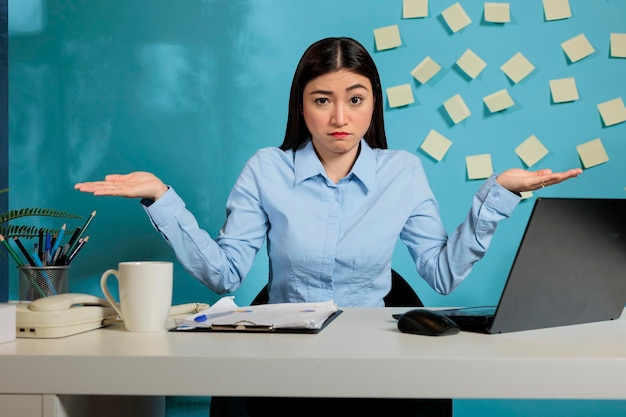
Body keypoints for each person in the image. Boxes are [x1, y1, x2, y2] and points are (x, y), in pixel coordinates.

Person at [75, 37, 582, 416]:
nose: (340, 116)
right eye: (322, 100)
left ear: (373, 104)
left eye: (355, 99)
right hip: (280, 350)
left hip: (379, 349)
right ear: (303, 105)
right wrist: (160, 198)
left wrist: (500, 194)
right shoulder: (266, 169)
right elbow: (226, 274)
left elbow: (443, 274)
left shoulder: (400, 172)